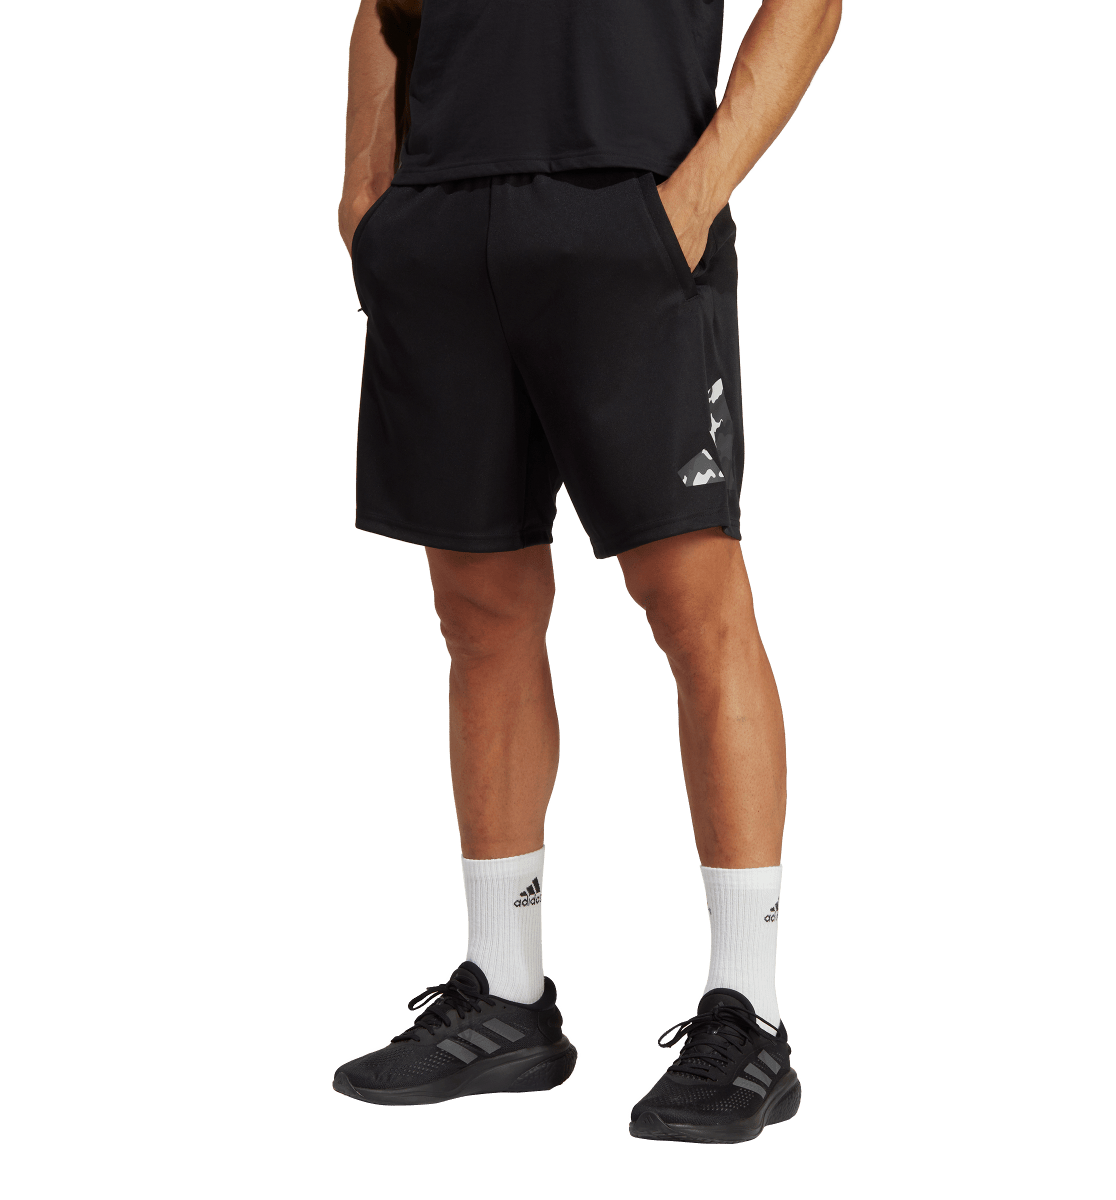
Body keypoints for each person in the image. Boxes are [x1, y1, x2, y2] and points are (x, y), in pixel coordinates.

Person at [332, 0, 842, 1144]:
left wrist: (691, 200)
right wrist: (368, 193)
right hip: (443, 219)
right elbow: (385, 10)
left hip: (632, 200)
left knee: (694, 601)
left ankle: (748, 1011)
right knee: (479, 610)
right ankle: (505, 992)